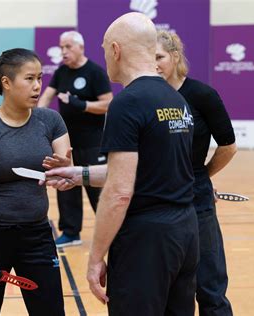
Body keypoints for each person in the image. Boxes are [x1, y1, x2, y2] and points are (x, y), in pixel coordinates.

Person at [45, 12, 198, 315]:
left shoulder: (127, 103)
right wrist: (80, 174)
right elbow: (145, 170)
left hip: (147, 241)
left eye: (104, 49)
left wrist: (95, 257)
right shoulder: (174, 97)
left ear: (115, 50)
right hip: (185, 233)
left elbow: (119, 191)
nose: (104, 57)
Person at [0, 48, 69, 316]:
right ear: (6, 83)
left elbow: (67, 169)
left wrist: (64, 172)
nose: (37, 86)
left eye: (40, 79)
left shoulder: (50, 120)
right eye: (29, 79)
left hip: (37, 235)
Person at [156, 30, 237, 316]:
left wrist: (201, 176)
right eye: (149, 58)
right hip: (158, 200)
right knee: (169, 287)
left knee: (210, 283)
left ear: (175, 56)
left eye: (160, 57)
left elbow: (228, 146)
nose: (155, 64)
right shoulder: (146, 97)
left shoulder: (202, 95)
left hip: (197, 198)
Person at [38, 30, 113, 247]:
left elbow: (108, 103)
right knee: (66, 184)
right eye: (61, 47)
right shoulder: (61, 72)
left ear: (81, 47)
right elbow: (46, 97)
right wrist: (35, 117)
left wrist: (83, 105)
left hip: (93, 143)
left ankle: (112, 232)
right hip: (66, 142)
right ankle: (71, 233)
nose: (63, 51)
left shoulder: (95, 72)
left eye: (68, 47)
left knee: (97, 188)